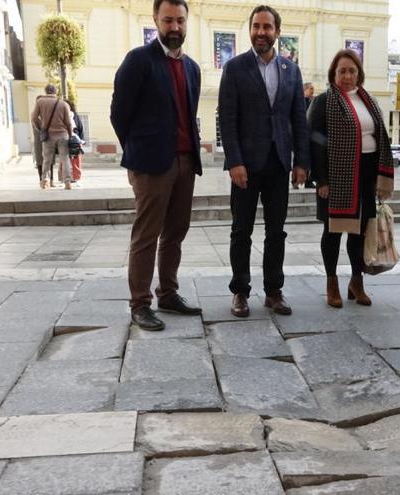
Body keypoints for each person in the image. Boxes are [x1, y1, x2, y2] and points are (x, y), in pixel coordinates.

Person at [110, 0, 203, 331]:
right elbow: (119, 113)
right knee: (147, 234)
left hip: (185, 161)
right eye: (168, 20)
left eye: (180, 20)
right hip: (151, 164)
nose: (174, 27)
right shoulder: (139, 60)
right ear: (156, 21)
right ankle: (140, 303)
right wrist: (137, 152)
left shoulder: (192, 67)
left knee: (176, 231)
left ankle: (168, 293)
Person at [218, 5, 309, 318]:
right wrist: (234, 161)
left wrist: (301, 162)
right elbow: (227, 120)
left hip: (279, 162)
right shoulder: (235, 68)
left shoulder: (291, 70)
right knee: (241, 231)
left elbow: (298, 118)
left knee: (277, 232)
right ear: (250, 30)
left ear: (277, 32)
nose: (261, 32)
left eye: (267, 27)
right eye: (256, 26)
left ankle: (273, 291)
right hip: (245, 164)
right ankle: (240, 292)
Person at [307, 50, 394, 308]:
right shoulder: (324, 101)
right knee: (332, 231)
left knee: (360, 231)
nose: (347, 76)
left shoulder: (369, 101)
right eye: (342, 71)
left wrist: (381, 176)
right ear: (334, 74)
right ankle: (332, 282)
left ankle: (357, 282)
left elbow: (380, 137)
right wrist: (321, 179)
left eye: (352, 71)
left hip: (367, 173)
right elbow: (315, 142)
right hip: (336, 175)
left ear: (359, 74)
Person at [31, 84, 73, 190]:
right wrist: (70, 134)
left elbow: (34, 117)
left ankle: (45, 180)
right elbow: (68, 122)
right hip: (63, 135)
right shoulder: (63, 104)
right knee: (65, 159)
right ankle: (67, 182)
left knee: (47, 159)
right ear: (56, 91)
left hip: (48, 135)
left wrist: (40, 129)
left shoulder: (40, 102)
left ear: (46, 91)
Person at [68, 100, 84, 183]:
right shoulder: (72, 115)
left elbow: (80, 128)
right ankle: (71, 176)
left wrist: (81, 140)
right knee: (71, 160)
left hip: (75, 140)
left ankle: (75, 177)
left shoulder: (74, 116)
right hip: (72, 140)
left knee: (75, 160)